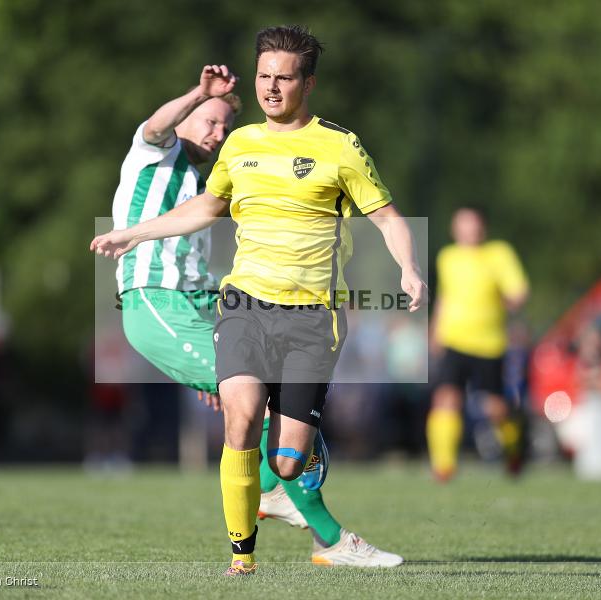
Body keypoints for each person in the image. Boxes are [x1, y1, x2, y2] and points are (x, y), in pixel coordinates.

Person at [92, 26, 425, 575]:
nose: (219, 131)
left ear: (307, 83)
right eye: (210, 120)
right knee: (246, 414)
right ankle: (295, 544)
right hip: (167, 303)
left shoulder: (310, 150)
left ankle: (283, 485)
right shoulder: (156, 153)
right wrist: (131, 234)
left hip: (254, 311)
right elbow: (159, 132)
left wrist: (408, 269)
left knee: (279, 443)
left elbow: (382, 218)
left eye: (225, 123)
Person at [428, 206, 529, 481]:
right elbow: (444, 297)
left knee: (495, 408)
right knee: (445, 399)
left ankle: (514, 450)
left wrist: (511, 300)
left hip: (489, 343)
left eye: (472, 224)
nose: (468, 230)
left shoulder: (499, 253)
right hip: (454, 339)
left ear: (482, 227)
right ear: (455, 229)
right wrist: (435, 332)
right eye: (462, 224)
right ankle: (444, 466)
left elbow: (518, 292)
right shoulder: (447, 257)